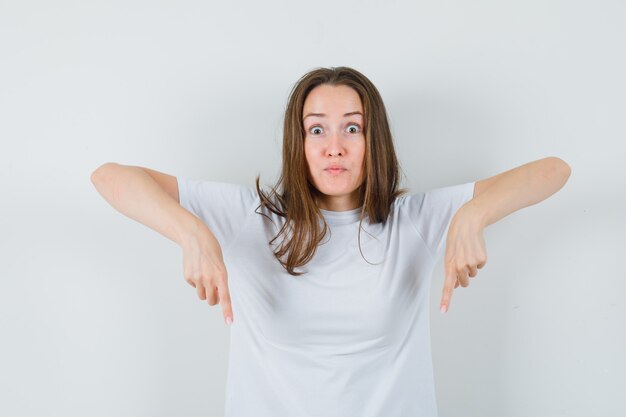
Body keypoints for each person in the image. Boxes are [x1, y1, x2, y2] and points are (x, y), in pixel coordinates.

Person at [91, 66, 571, 417]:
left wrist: (474, 212)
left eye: (353, 128)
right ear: (297, 143)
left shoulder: (413, 221)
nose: (334, 145)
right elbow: (110, 177)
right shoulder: (249, 218)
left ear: (372, 140)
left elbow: (554, 171)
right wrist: (190, 231)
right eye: (316, 128)